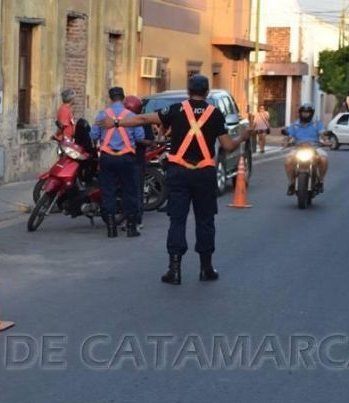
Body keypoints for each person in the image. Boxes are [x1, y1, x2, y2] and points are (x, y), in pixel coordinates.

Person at [100, 75, 248, 284]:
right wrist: (242, 136)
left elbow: (143, 119)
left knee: (177, 220)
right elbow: (228, 146)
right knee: (205, 221)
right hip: (204, 174)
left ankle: (174, 270)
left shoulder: (176, 110)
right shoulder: (215, 114)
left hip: (179, 172)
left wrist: (115, 122)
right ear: (206, 92)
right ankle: (206, 268)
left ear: (188, 91)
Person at [90, 87, 145, 238]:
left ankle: (111, 229)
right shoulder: (131, 115)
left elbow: (93, 134)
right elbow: (140, 137)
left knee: (108, 192)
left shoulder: (102, 115)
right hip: (127, 158)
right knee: (130, 192)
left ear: (110, 98)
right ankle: (131, 228)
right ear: (123, 98)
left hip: (107, 158)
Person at [283, 103, 329, 196]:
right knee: (288, 161)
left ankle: (321, 181)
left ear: (311, 114)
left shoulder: (317, 124)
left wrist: (326, 140)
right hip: (298, 148)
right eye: (304, 112)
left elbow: (323, 135)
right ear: (300, 113)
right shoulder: (294, 125)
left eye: (307, 113)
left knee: (324, 159)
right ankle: (291, 183)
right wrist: (285, 142)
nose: (305, 114)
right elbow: (288, 136)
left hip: (315, 147)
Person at [123, 95, 155, 227]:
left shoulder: (142, 122)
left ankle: (135, 219)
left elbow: (149, 141)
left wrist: (136, 140)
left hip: (133, 160)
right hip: (129, 160)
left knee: (134, 190)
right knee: (130, 190)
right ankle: (130, 218)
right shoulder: (123, 121)